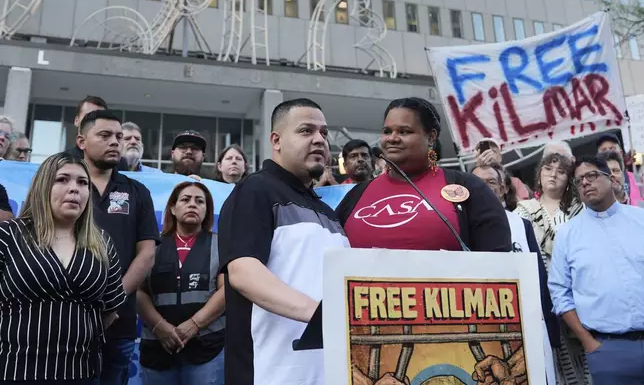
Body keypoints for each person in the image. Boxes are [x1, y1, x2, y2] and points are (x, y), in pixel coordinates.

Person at [217, 98, 350, 385]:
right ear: (276, 140)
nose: (319, 140)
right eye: (306, 131)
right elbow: (243, 272)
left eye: (324, 133)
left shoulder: (329, 213)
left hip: (327, 371)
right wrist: (321, 315)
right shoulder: (254, 190)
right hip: (270, 370)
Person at [0, 152, 126, 383]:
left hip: (82, 373)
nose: (74, 189)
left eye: (82, 182)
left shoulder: (102, 244)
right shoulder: (8, 236)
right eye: (62, 180)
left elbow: (110, 309)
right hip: (14, 370)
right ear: (42, 186)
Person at [336, 97, 512, 252]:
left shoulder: (469, 188)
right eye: (387, 131)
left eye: (404, 131)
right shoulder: (355, 195)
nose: (392, 138)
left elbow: (497, 264)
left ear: (431, 137)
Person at [77, 109, 160, 385]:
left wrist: (114, 300)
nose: (115, 142)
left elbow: (147, 254)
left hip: (120, 322)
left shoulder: (137, 192)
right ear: (82, 142)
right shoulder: (63, 186)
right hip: (66, 323)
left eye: (118, 136)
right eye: (104, 135)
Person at [549, 156, 644, 385]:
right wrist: (588, 341)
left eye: (591, 175)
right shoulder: (568, 235)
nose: (585, 183)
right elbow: (559, 292)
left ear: (611, 180)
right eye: (579, 180)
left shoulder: (640, 220)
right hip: (608, 351)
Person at [472, 163, 560, 384]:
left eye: (491, 182)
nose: (484, 188)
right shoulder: (460, 224)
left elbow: (539, 279)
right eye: (477, 183)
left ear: (503, 188)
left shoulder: (521, 225)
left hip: (528, 324)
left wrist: (551, 331)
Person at [138, 182, 225, 385]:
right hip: (158, 350)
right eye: (185, 200)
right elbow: (139, 290)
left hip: (207, 349)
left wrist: (194, 325)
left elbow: (227, 290)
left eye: (199, 201)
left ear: (207, 211)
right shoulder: (152, 246)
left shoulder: (221, 244)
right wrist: (160, 326)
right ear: (172, 208)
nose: (192, 204)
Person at [514, 152, 588, 385]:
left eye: (561, 171)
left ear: (569, 179)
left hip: (577, 294)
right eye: (548, 169)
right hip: (541, 294)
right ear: (539, 174)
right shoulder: (523, 210)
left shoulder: (580, 211)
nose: (553, 175)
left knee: (583, 352)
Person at [68, 96, 130, 171]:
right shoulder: (64, 161)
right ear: (76, 121)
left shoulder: (120, 162)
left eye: (100, 116)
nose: (96, 121)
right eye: (89, 115)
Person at [596, 132, 642, 206]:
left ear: (620, 152)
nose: (608, 151)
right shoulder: (595, 184)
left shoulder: (638, 179)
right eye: (604, 150)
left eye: (612, 148)